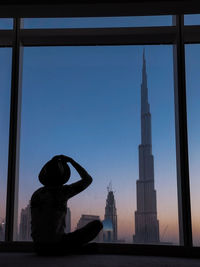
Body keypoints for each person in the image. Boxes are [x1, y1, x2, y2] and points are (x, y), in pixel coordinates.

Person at [30, 155, 103, 255]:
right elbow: (88, 179)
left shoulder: (36, 194)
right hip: (57, 244)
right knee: (97, 225)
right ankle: (72, 250)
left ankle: (72, 250)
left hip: (38, 247)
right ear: (62, 177)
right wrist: (72, 162)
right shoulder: (63, 191)